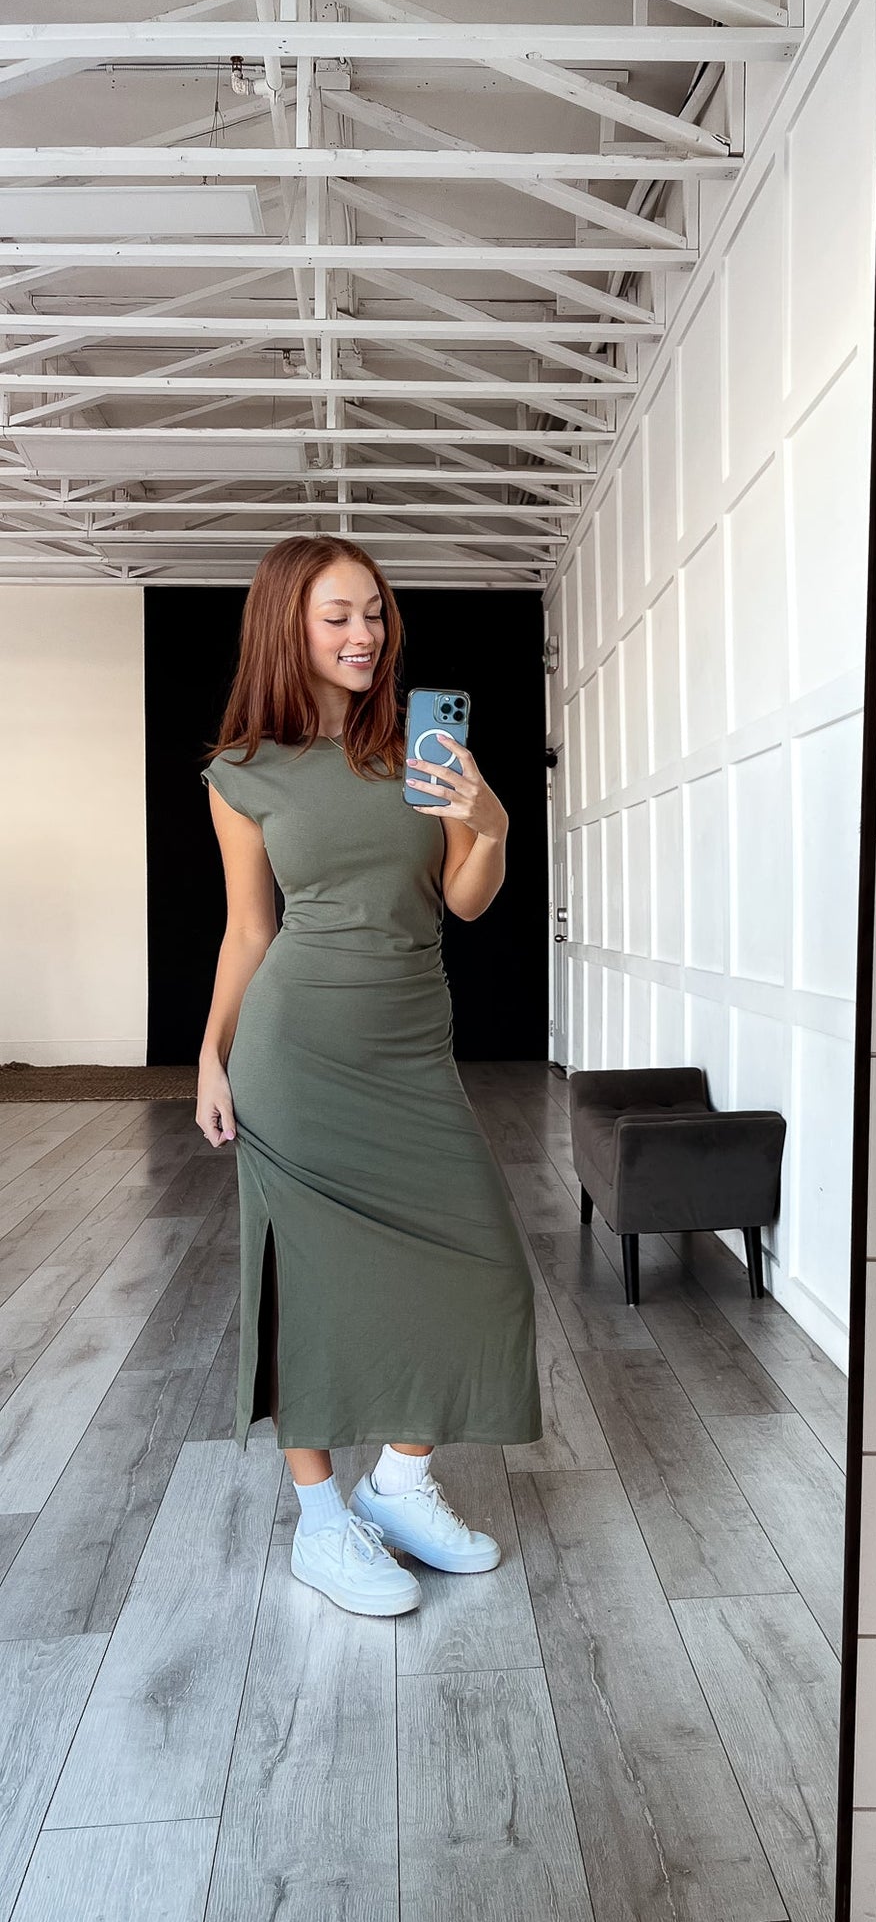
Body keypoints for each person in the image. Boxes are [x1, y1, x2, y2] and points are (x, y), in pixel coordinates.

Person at [195, 534, 543, 1618]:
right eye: (338, 615)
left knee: (488, 1269)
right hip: (293, 1054)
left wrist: (489, 820)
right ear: (287, 626)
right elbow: (249, 930)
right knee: (303, 1287)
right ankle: (320, 1522)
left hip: (410, 1049)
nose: (364, 634)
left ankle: (395, 1485)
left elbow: (465, 898)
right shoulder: (242, 773)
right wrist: (210, 1052)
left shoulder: (418, 751)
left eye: (376, 613)